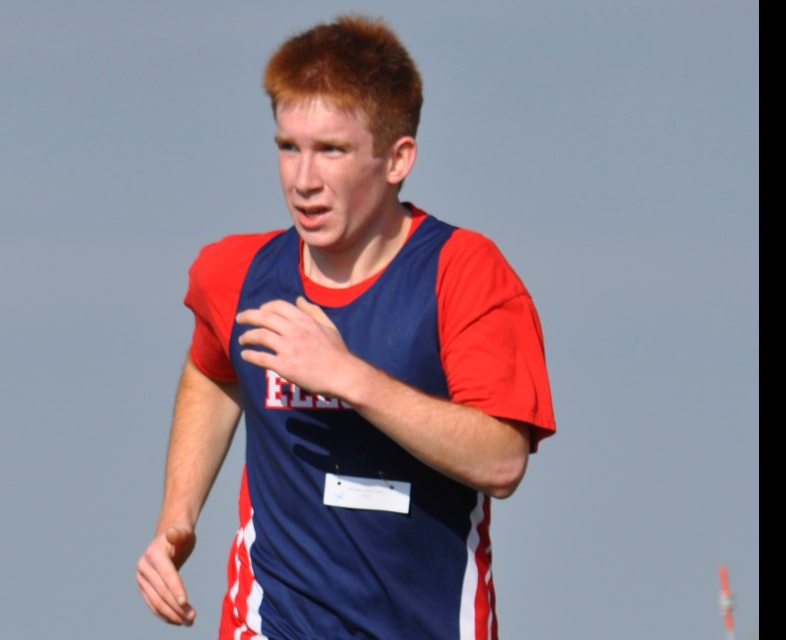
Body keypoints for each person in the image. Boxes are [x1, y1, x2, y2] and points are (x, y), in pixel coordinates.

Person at [136, 15, 555, 639]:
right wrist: (178, 517)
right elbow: (214, 368)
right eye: (288, 147)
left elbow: (502, 461)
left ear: (397, 159)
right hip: (270, 622)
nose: (304, 180)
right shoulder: (237, 274)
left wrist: (349, 379)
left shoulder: (464, 274)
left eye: (331, 150)